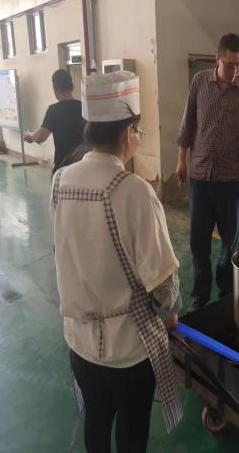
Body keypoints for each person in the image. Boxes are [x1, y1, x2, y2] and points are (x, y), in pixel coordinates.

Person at [50, 71, 183, 452]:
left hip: (79, 341)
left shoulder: (60, 181)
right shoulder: (134, 192)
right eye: (137, 130)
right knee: (130, 432)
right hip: (128, 350)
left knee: (96, 420)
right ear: (127, 134)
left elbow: (65, 250)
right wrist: (171, 314)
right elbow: (163, 287)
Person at [176, 33, 239, 312]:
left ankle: (226, 294)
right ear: (217, 59)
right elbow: (187, 125)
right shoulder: (199, 83)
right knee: (198, 242)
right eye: (230, 65)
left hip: (229, 179)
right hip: (200, 176)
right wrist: (181, 161)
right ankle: (200, 296)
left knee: (229, 243)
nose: (234, 71)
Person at [24, 69, 85, 175]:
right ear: (72, 87)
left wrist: (30, 136)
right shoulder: (83, 107)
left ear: (55, 89)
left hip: (63, 166)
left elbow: (41, 137)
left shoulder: (54, 110)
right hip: (82, 165)